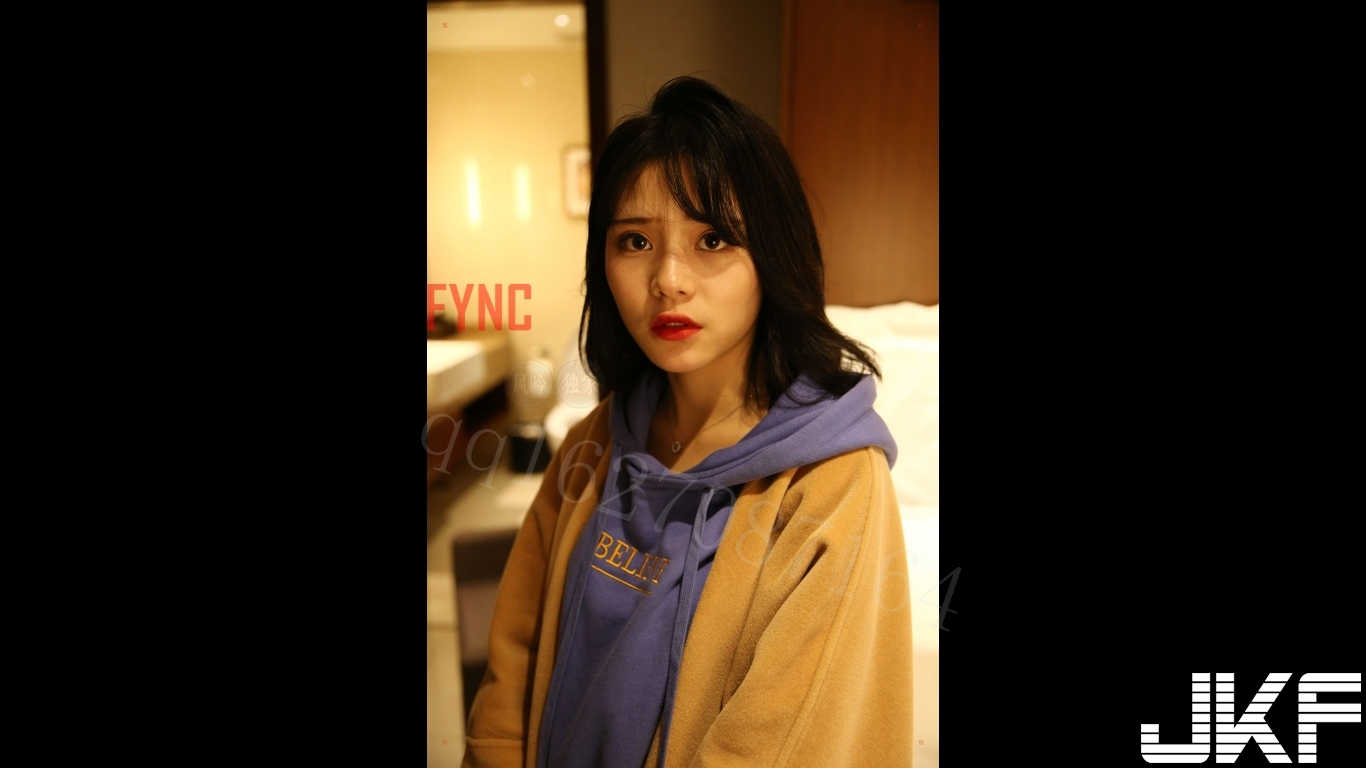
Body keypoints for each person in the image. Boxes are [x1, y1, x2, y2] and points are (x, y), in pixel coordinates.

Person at [462, 76, 913, 768]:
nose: (668, 279)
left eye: (713, 239)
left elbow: (776, 744)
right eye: (635, 241)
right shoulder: (597, 440)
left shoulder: (833, 483)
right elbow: (513, 665)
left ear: (774, 256)